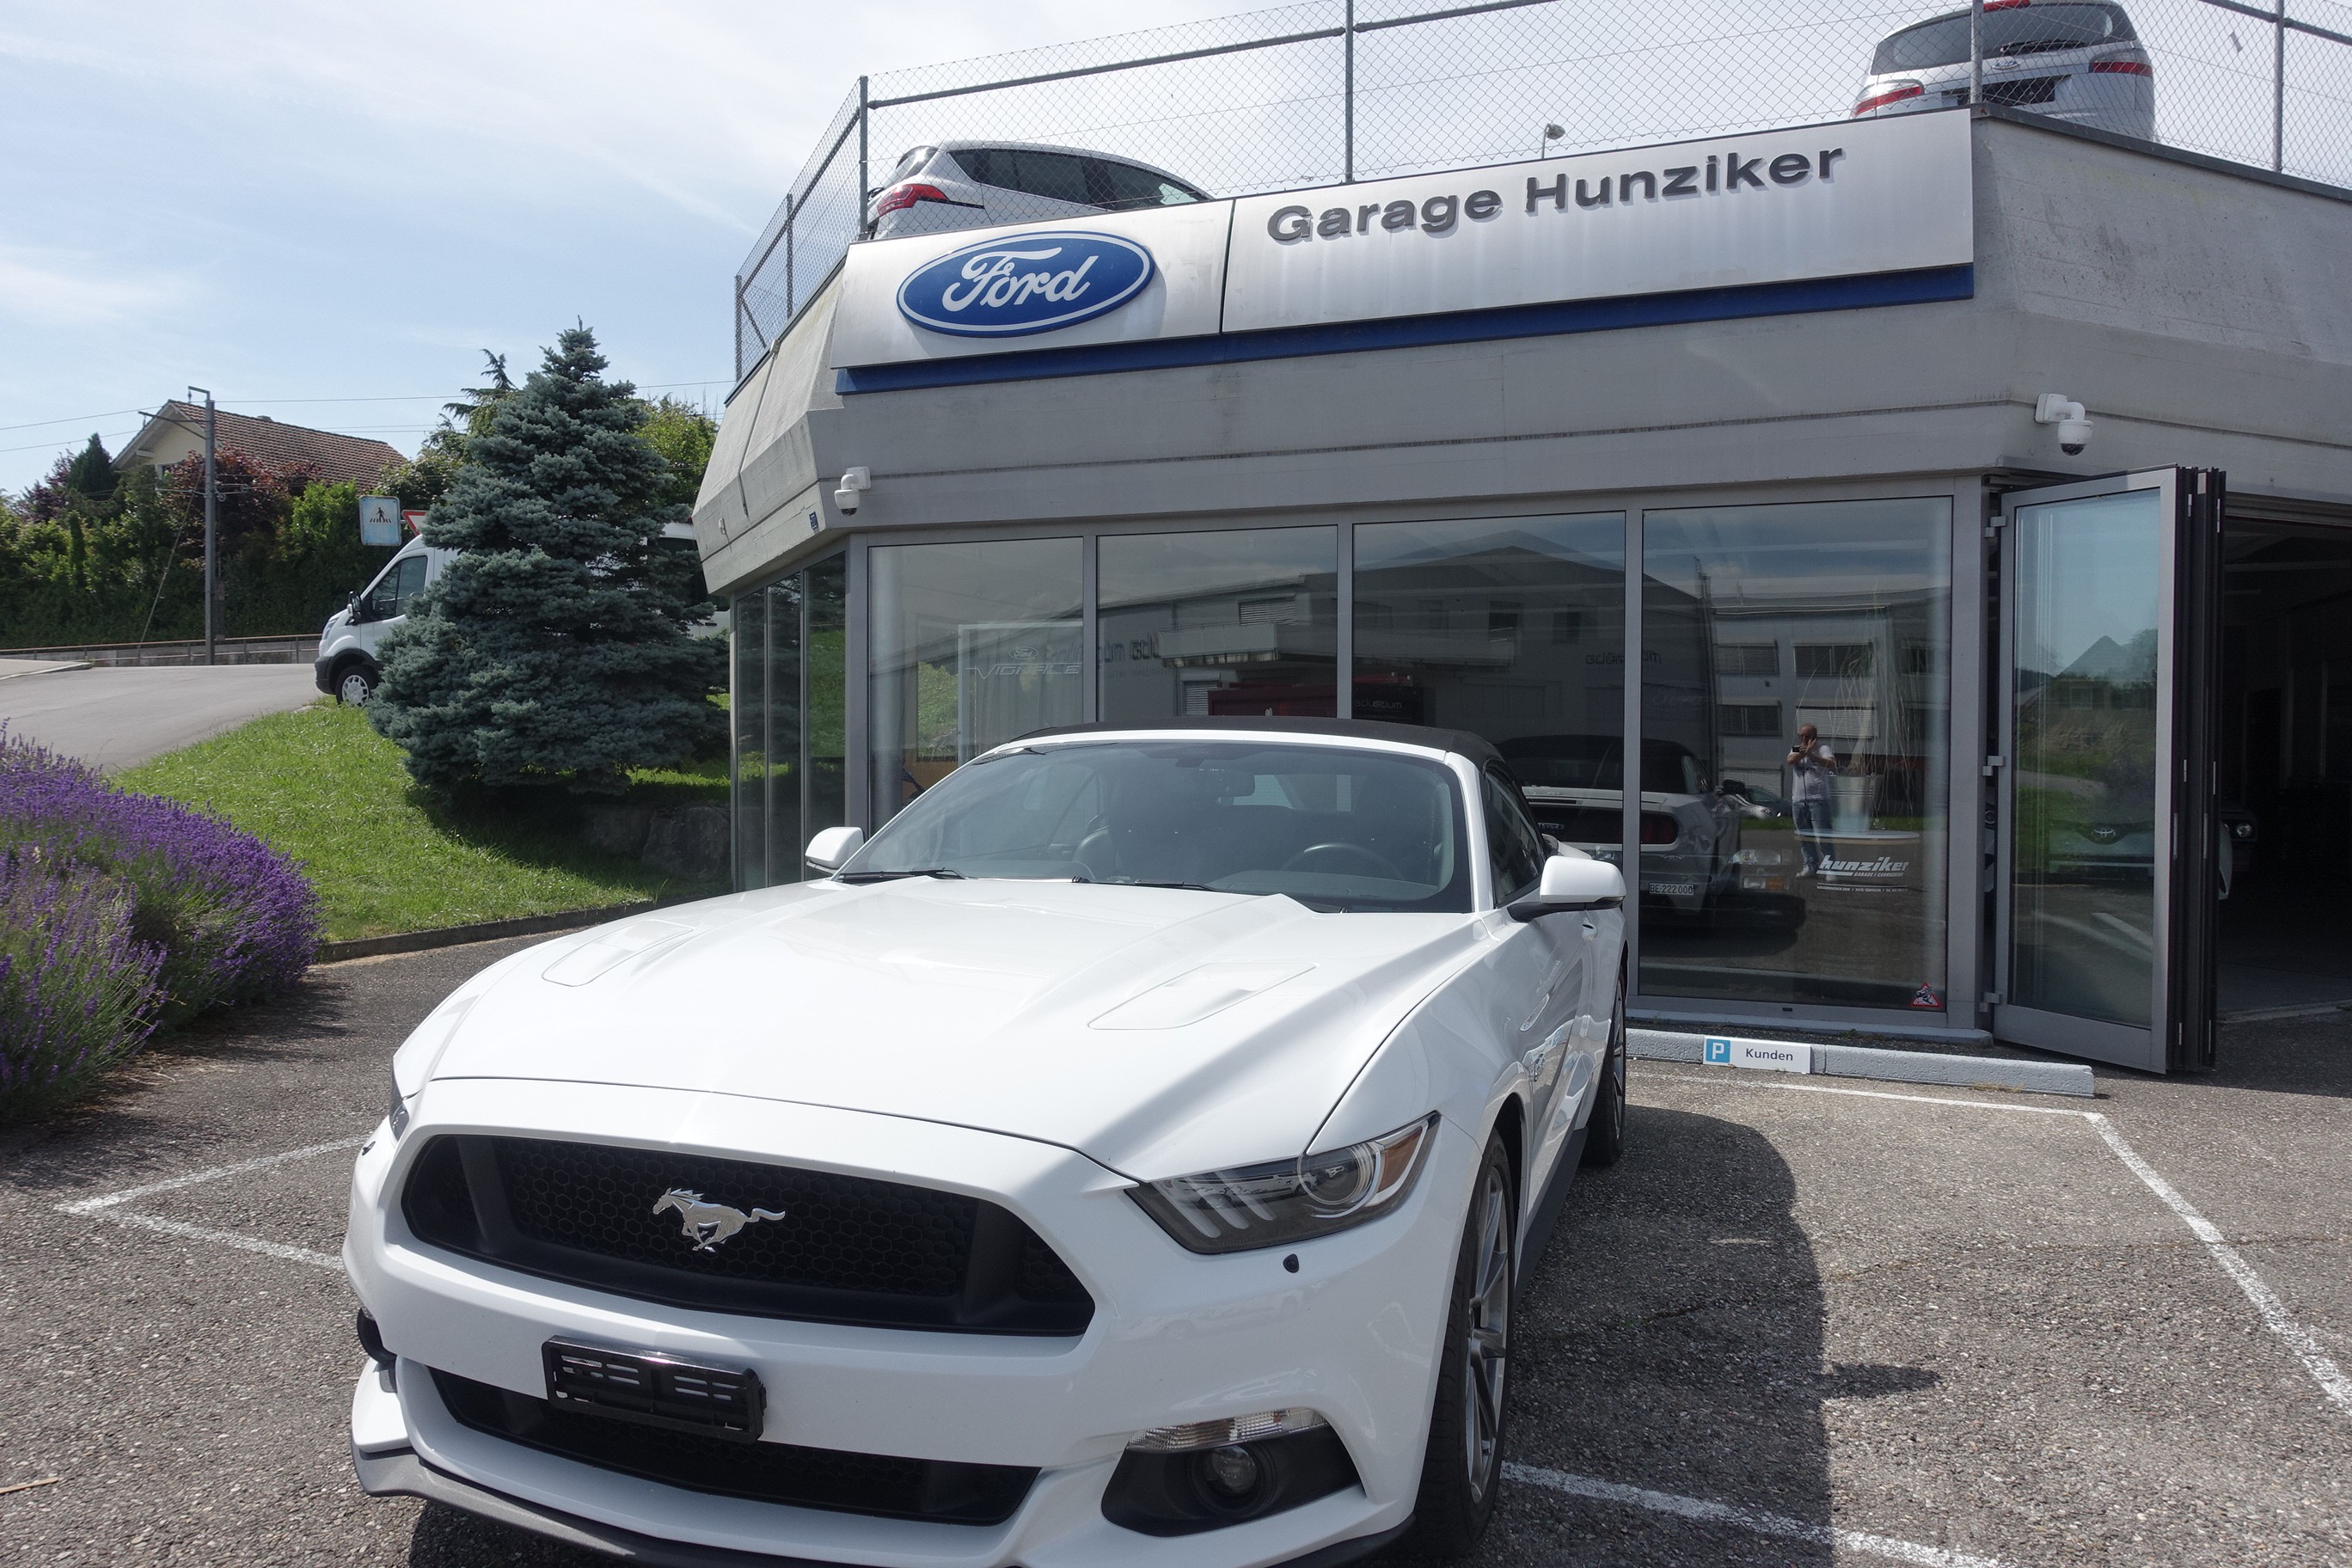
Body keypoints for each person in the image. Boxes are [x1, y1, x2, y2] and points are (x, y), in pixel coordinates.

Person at [1786, 723, 1836, 878]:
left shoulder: (1823, 749)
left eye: (1807, 736)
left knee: (1823, 837)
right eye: (1801, 735)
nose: (1803, 738)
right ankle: (1810, 865)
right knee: (1804, 836)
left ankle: (1830, 868)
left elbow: (1832, 765)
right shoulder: (1797, 748)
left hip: (1818, 799)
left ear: (1814, 738)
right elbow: (1790, 760)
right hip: (1799, 799)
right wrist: (1804, 752)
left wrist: (1812, 754)